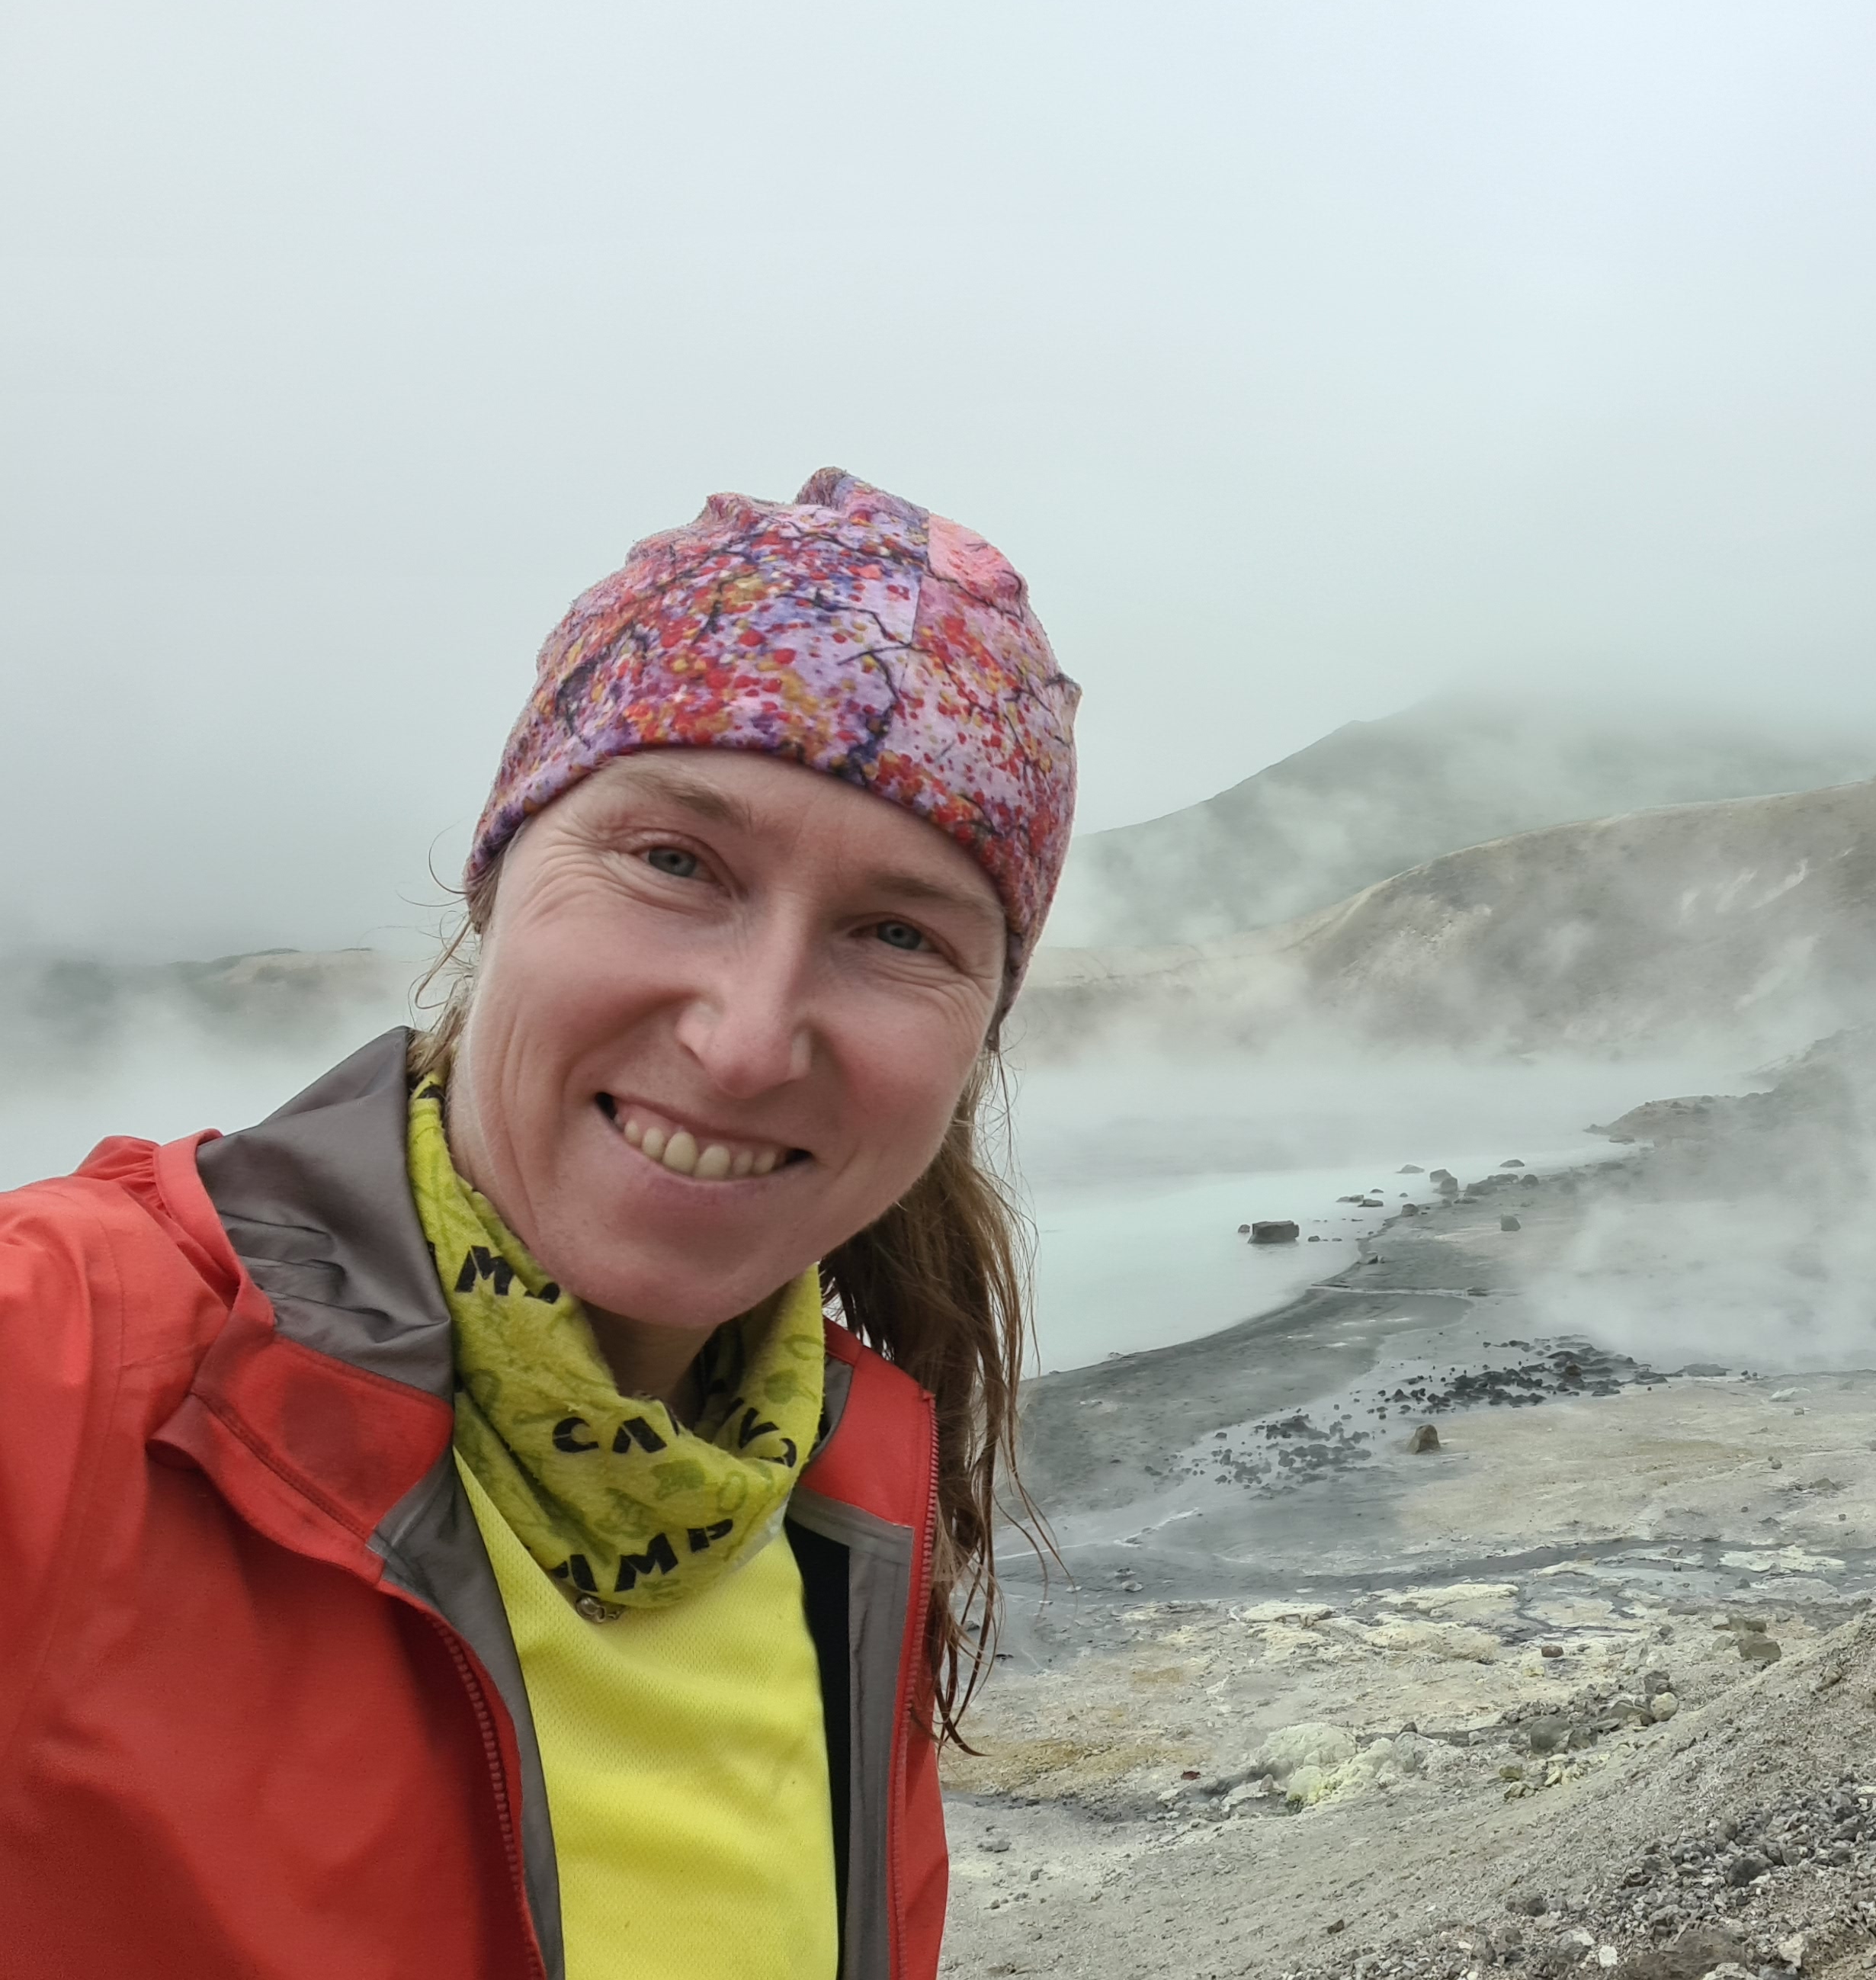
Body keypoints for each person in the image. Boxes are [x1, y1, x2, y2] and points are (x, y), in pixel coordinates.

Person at [0, 471, 1081, 1978]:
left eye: (898, 932)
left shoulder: (846, 1503)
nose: (745, 1042)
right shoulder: (69, 1373)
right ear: (496, 877)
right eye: (675, 862)